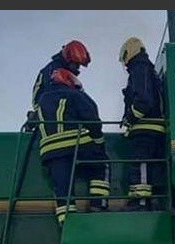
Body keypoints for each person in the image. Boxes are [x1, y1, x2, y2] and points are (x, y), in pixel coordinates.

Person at [35, 67, 110, 226]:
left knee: (62, 189)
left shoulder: (42, 100)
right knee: (101, 164)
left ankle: (67, 223)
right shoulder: (75, 95)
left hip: (50, 152)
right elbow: (93, 121)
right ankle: (98, 204)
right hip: (75, 145)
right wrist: (99, 142)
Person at [118, 36, 167, 211]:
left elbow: (144, 101)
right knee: (147, 165)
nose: (124, 64)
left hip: (146, 128)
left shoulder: (139, 68)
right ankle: (146, 201)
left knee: (141, 162)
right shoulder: (147, 69)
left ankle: (140, 203)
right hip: (151, 127)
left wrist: (130, 118)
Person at [28, 40, 91, 130]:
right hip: (49, 113)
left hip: (56, 111)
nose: (77, 68)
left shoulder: (64, 72)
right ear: (69, 59)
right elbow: (56, 97)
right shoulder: (54, 71)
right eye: (76, 64)